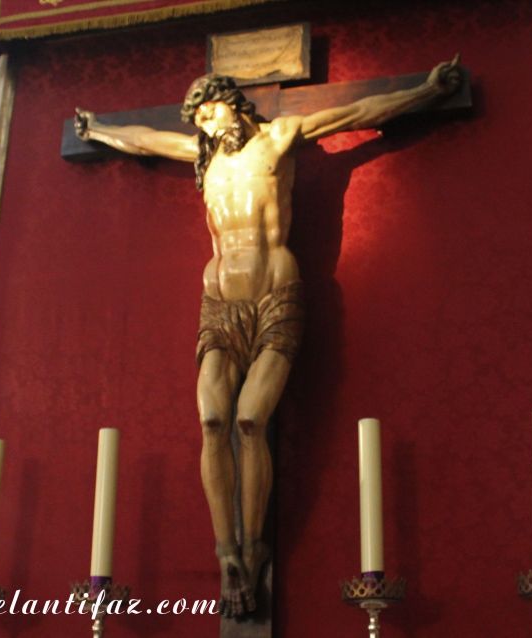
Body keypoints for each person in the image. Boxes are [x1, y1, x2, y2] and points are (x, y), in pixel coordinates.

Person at [74, 56, 461, 616]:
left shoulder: (279, 139)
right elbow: (142, 141)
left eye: (210, 112)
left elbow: (359, 112)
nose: (206, 125)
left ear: (232, 102)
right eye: (199, 121)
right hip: (219, 303)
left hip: (275, 295)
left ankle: (254, 546)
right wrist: (98, 130)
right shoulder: (203, 156)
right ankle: (226, 551)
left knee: (251, 420)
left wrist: (425, 91)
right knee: (212, 420)